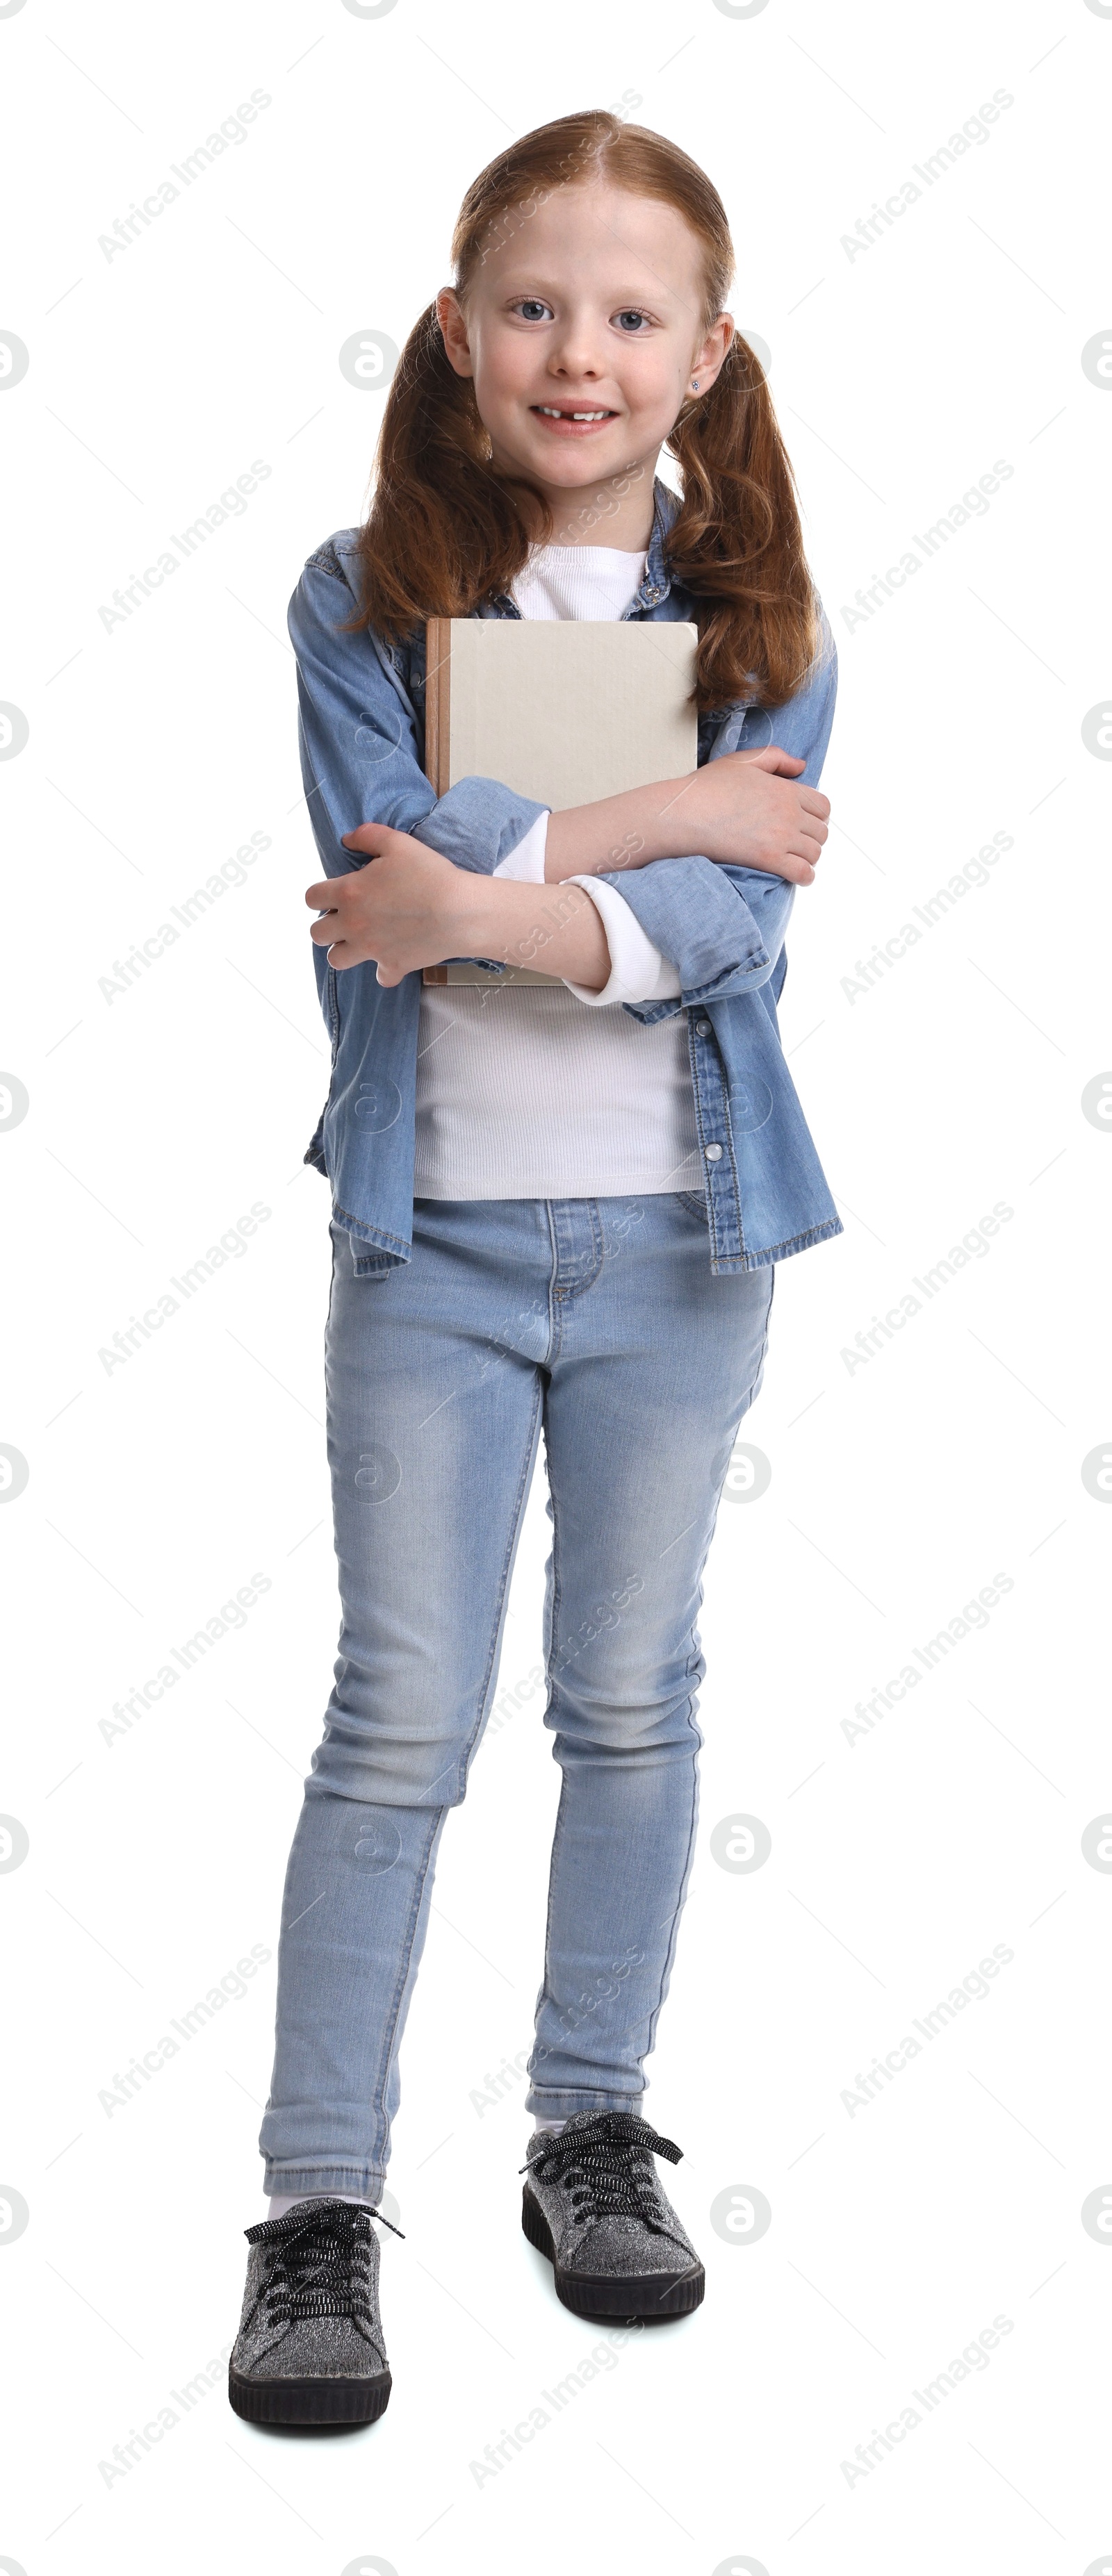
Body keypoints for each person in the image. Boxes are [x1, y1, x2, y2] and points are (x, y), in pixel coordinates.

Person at [229, 109, 840, 2429]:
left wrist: (498, 901)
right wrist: (656, 811)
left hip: (686, 1249)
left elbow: (711, 939)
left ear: (701, 356)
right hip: (438, 1252)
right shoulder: (358, 599)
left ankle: (590, 2120)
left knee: (633, 1697)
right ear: (461, 331)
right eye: (530, 305)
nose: (574, 352)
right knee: (398, 1715)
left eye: (627, 315)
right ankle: (314, 2206)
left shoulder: (762, 626)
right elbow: (387, 863)